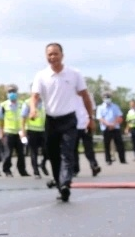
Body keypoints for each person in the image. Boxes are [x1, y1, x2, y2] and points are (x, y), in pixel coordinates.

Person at [28, 43, 95, 203]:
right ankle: (60, 185)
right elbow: (35, 96)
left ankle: (65, 184)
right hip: (51, 121)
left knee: (67, 153)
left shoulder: (74, 74)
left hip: (69, 119)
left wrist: (90, 118)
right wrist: (33, 109)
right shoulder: (41, 75)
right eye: (49, 54)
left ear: (62, 55)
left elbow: (85, 96)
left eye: (55, 54)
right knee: (53, 154)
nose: (52, 57)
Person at [0, 85, 29, 177]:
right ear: (7, 94)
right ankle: (7, 170)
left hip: (20, 132)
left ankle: (22, 170)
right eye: (10, 92)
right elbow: (0, 119)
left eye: (13, 91)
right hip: (8, 132)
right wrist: (1, 132)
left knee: (21, 153)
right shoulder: (3, 105)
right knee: (8, 153)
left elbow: (25, 118)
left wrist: (24, 131)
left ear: (17, 93)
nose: (12, 93)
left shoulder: (22, 104)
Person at [96, 92, 126, 165]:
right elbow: (100, 118)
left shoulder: (115, 106)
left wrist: (113, 124)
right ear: (103, 99)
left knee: (119, 144)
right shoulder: (100, 107)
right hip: (106, 128)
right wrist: (108, 124)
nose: (107, 99)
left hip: (115, 127)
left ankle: (122, 159)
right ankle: (108, 160)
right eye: (106, 98)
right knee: (107, 145)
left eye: (108, 97)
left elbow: (119, 116)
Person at [22, 96, 47, 177]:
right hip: (31, 130)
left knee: (47, 151)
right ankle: (36, 171)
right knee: (34, 152)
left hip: (43, 130)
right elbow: (23, 117)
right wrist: (23, 131)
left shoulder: (45, 101)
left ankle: (43, 164)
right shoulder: (27, 102)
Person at [75, 109, 102, 177]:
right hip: (74, 126)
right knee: (73, 149)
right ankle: (74, 169)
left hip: (86, 126)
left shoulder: (88, 98)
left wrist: (91, 121)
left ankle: (94, 166)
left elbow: (92, 110)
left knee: (89, 149)